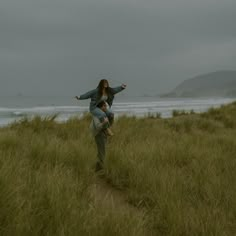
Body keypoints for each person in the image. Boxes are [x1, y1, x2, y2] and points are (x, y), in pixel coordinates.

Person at [90, 101, 110, 172]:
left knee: (101, 151)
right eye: (104, 106)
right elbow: (98, 127)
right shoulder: (96, 115)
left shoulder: (102, 115)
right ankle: (100, 169)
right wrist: (104, 122)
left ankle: (98, 168)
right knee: (102, 151)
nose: (106, 107)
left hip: (102, 134)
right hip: (99, 134)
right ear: (100, 107)